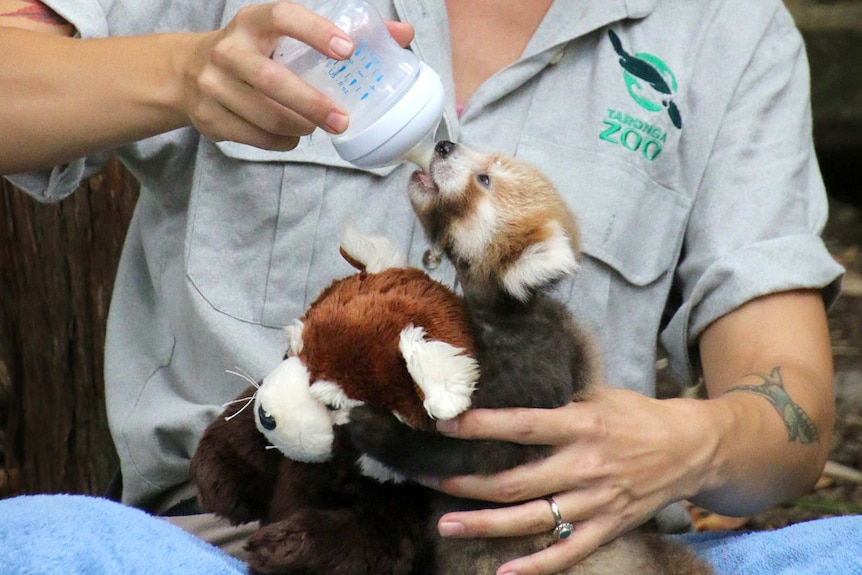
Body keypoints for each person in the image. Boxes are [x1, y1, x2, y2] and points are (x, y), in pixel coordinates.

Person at [0, 1, 854, 574]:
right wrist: (187, 74)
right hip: (257, 540)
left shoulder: (729, 31)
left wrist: (690, 444)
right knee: (35, 545)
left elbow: (792, 407)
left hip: (553, 548)